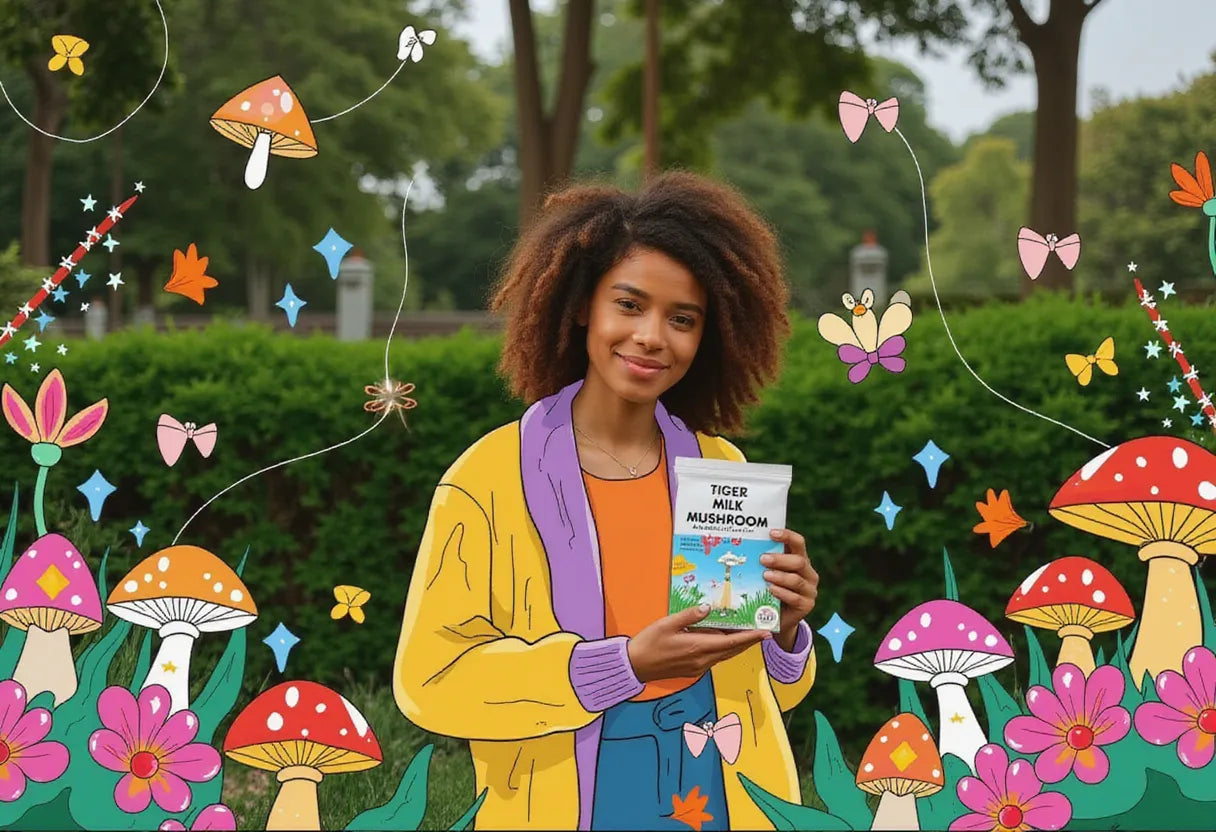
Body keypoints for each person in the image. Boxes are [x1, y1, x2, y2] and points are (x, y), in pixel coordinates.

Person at [393, 172, 820, 831]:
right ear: (582, 305)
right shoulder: (488, 478)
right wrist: (617, 667)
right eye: (630, 305)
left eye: (683, 319)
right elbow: (431, 680)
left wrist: (785, 630)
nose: (653, 336)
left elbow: (775, 693)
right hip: (569, 792)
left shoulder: (722, 470)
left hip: (715, 778)